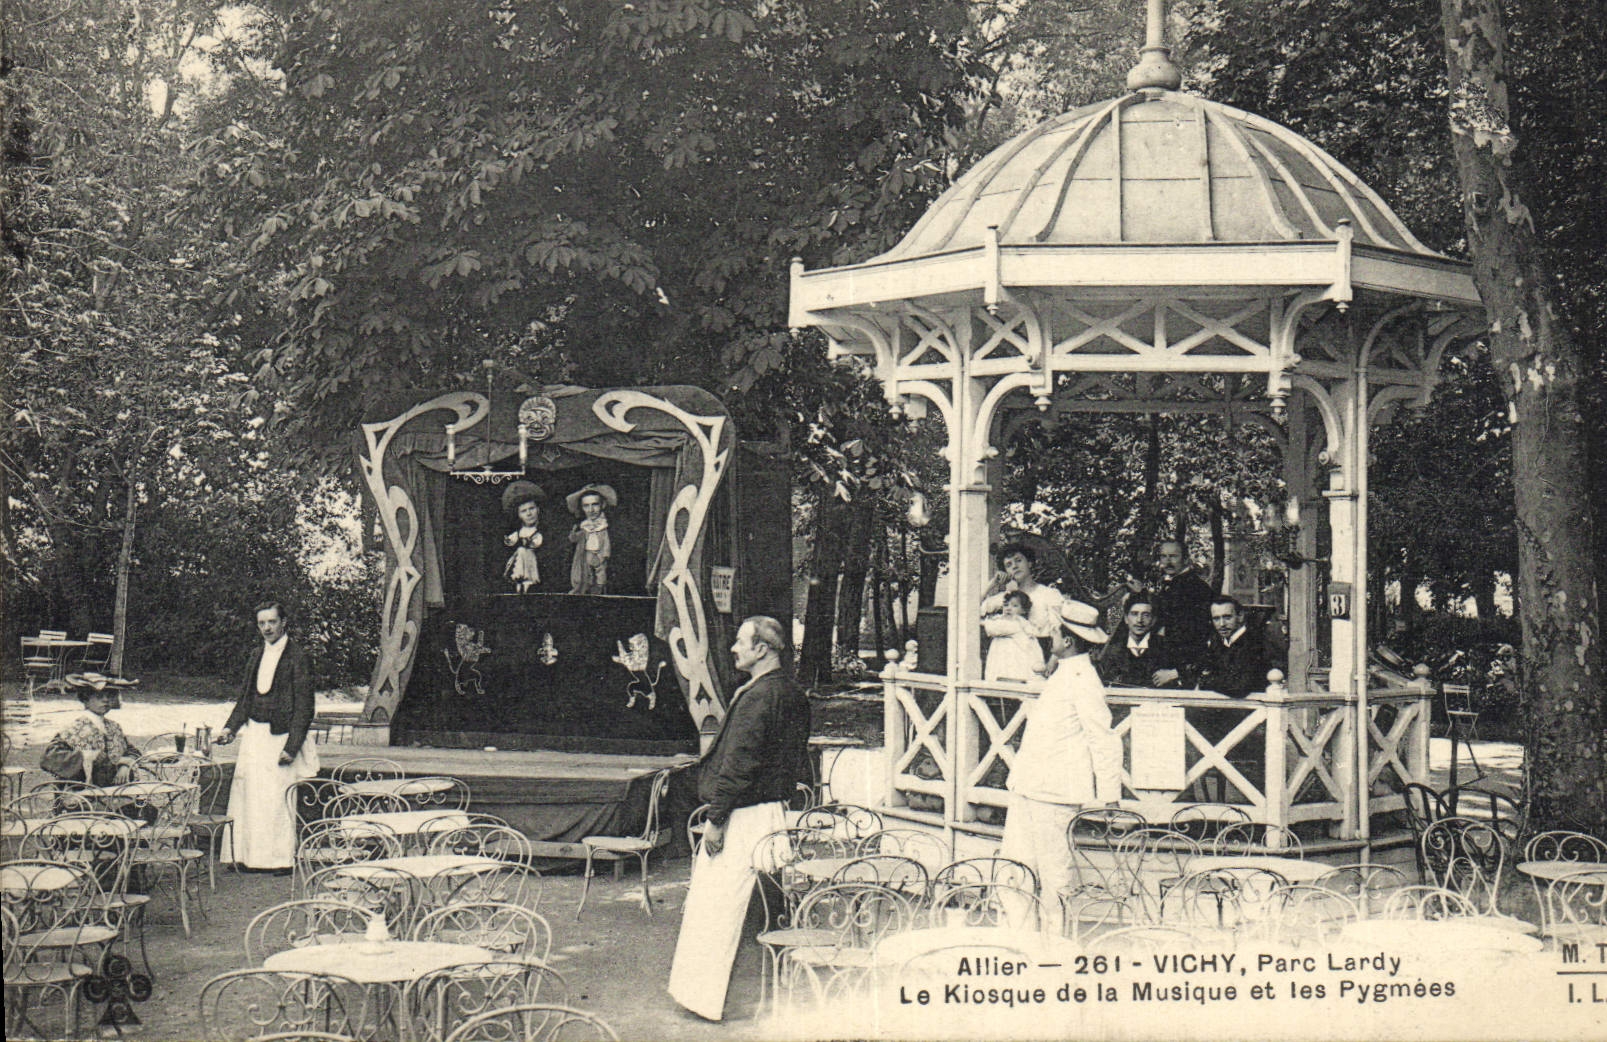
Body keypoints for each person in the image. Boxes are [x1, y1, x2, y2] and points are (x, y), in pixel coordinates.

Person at [668, 615, 811, 1021]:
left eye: (739, 641)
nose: (733, 648)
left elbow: (740, 764)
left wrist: (716, 819)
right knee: (764, 905)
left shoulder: (759, 697)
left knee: (717, 907)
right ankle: (759, 998)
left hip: (743, 817)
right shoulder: (791, 694)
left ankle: (704, 999)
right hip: (770, 814)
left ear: (761, 649)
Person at [998, 599, 1122, 935]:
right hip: (1028, 785)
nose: (1049, 634)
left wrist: (1110, 795)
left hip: (1055, 793)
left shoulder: (1083, 679)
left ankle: (1057, 948)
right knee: (1015, 868)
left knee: (1055, 877)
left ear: (1067, 640)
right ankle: (1016, 939)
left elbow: (1104, 738)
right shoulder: (1063, 673)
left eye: (1055, 630)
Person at [215, 602, 319, 872]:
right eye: (262, 623)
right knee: (247, 795)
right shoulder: (256, 654)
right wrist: (230, 729)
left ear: (283, 622)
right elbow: (246, 698)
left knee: (276, 799)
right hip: (255, 736)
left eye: (272, 622)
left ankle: (278, 860)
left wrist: (292, 747)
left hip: (280, 737)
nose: (267, 628)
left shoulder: (298, 656)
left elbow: (305, 707)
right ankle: (245, 857)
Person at [1192, 595, 1279, 802]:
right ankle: (1210, 807)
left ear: (1240, 617)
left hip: (1250, 722)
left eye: (1227, 617)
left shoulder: (1254, 642)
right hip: (1225, 721)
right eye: (1216, 619)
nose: (1221, 624)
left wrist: (1207, 681)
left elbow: (1240, 686)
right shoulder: (1218, 643)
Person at [1128, 539, 1217, 666]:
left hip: (1182, 659)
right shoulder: (1174, 583)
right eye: (1164, 556)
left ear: (1186, 559)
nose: (1168, 562)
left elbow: (1190, 629)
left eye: (1173, 556)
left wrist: (1143, 593)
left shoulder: (1195, 586)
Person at [45, 683, 137, 786]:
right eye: (99, 697)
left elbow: (131, 751)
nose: (105, 700)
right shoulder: (75, 728)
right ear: (86, 700)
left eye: (109, 696)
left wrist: (125, 766)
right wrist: (87, 756)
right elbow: (50, 757)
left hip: (116, 790)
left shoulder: (114, 727)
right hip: (81, 792)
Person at [981, 542, 1065, 642]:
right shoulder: (1006, 597)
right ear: (1006, 572)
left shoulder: (1049, 594)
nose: (1014, 566)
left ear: (1029, 563)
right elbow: (972, 612)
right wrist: (992, 583)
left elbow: (1059, 633)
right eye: (1009, 565)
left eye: (1018, 560)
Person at [1096, 596, 1181, 688]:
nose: (1139, 620)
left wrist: (1174, 673)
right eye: (1134, 614)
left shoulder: (1166, 646)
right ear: (1126, 619)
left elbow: (1192, 669)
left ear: (1153, 620)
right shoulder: (1113, 650)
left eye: (1146, 615)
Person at [984, 590, 1045, 682]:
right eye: (1006, 605)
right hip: (1001, 657)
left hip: (1015, 661)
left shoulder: (1016, 623)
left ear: (1024, 610)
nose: (1008, 608)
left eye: (1014, 606)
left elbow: (990, 628)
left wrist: (988, 620)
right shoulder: (1013, 622)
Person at [566, 483, 616, 595]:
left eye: (595, 504)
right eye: (586, 506)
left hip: (600, 556)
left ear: (602, 505)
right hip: (586, 556)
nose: (591, 509)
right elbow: (574, 540)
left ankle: (599, 591)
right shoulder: (583, 526)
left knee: (601, 576)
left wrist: (603, 556)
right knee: (585, 575)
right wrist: (574, 535)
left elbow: (607, 543)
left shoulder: (605, 525)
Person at [501, 480, 545, 593]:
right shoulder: (519, 532)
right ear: (519, 515)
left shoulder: (543, 532)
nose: (529, 514)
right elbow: (511, 541)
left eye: (532, 509)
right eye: (524, 511)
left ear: (538, 509)